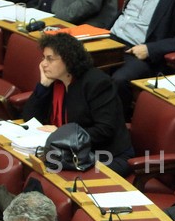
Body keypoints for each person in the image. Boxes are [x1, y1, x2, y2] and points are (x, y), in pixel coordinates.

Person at [22, 32, 133, 177]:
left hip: (107, 155)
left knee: (54, 177)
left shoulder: (97, 83)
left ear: (68, 60)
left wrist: (60, 134)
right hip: (69, 153)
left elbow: (104, 130)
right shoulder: (56, 81)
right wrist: (43, 85)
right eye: (43, 58)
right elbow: (30, 118)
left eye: (50, 59)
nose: (43, 64)